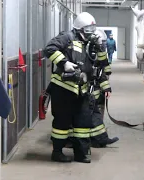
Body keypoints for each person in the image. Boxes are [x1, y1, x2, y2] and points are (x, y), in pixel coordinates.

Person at [43, 12, 112, 163]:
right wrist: (64, 63)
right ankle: (57, 152)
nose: (91, 33)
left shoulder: (91, 44)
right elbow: (49, 49)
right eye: (88, 30)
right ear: (80, 29)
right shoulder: (67, 37)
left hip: (82, 89)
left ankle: (81, 154)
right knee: (62, 123)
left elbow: (102, 65)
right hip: (63, 89)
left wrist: (101, 48)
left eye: (93, 29)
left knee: (83, 123)